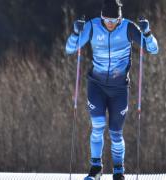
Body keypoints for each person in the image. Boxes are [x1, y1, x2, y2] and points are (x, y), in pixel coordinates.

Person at [65, 0, 158, 179]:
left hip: (119, 89)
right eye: (106, 19)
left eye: (114, 20)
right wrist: (76, 33)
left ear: (120, 18)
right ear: (101, 16)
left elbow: (153, 49)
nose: (110, 23)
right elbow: (70, 49)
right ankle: (95, 168)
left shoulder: (128, 28)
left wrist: (147, 32)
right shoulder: (92, 27)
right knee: (98, 126)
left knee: (116, 132)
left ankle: (118, 170)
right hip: (96, 86)